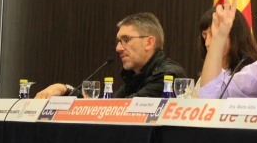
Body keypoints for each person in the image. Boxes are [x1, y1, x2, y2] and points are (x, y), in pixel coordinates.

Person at [35, 12, 186, 99]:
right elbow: (105, 106)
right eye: (118, 41)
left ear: (149, 42)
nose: (118, 48)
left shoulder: (169, 75)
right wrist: (64, 89)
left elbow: (121, 109)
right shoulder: (134, 76)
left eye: (126, 39)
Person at [195, 6, 257, 94]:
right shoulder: (205, 78)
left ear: (235, 36)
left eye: (214, 35)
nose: (207, 43)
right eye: (204, 36)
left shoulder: (251, 75)